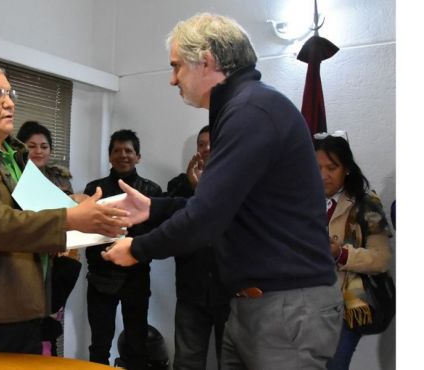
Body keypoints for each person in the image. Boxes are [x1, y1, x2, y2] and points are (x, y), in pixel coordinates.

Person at [102, 13, 343, 369]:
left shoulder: (250, 110)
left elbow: (205, 218)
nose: (172, 80)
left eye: (176, 66)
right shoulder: (243, 106)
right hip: (253, 305)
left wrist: (137, 248)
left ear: (207, 61)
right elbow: (222, 204)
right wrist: (154, 208)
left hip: (286, 308)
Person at [0, 61, 130, 354]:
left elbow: (36, 211)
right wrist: (71, 217)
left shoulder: (13, 156)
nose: (9, 102)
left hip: (24, 309)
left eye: (10, 93)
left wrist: (75, 206)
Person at [83, 129, 162, 370]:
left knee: (137, 344)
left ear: (138, 156)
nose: (123, 155)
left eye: (129, 151)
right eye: (117, 150)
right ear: (109, 156)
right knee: (99, 345)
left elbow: (157, 236)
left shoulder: (152, 191)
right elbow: (84, 232)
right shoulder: (94, 189)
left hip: (136, 279)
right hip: (100, 279)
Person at [314, 133, 392, 370]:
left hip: (346, 307)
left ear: (346, 169)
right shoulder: (302, 202)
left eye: (332, 167)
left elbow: (381, 259)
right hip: (307, 305)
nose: (323, 175)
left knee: (335, 365)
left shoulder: (365, 204)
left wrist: (342, 254)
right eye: (317, 167)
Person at [16, 120, 83, 356]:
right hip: (26, 259)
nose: (38, 151)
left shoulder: (61, 180)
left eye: (44, 146)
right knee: (28, 325)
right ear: (21, 148)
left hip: (60, 258)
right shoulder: (14, 178)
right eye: (32, 146)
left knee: (50, 324)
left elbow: (72, 217)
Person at [166, 125, 230, 370]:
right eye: (201, 144)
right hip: (191, 289)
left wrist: (203, 192)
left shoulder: (237, 183)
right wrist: (193, 190)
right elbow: (171, 228)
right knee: (186, 362)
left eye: (211, 143)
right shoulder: (178, 186)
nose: (206, 149)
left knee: (232, 361)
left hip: (229, 291)